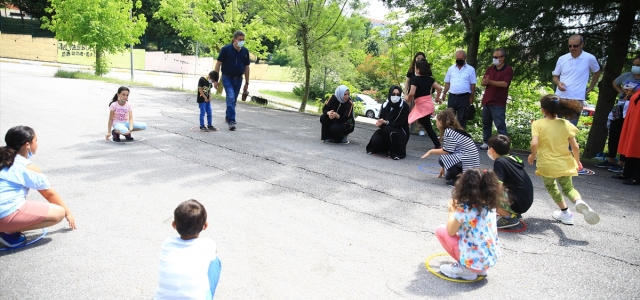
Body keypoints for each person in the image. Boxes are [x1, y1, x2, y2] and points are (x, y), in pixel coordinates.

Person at [527, 95, 600, 225]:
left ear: (543, 110)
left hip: (546, 164)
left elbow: (534, 144)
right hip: (565, 163)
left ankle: (565, 213)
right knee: (568, 188)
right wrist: (577, 161)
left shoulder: (538, 124)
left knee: (551, 187)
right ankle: (579, 201)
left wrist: (533, 155)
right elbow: (575, 147)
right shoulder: (566, 124)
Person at [0, 126, 76, 248]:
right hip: (4, 214)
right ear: (27, 145)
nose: (37, 143)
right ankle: (6, 232)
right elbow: (49, 194)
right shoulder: (27, 166)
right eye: (36, 140)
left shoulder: (2, 157)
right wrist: (68, 213)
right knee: (58, 214)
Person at [435, 168, 501, 280]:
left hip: (473, 259)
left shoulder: (466, 209)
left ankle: (464, 269)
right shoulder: (491, 205)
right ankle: (480, 270)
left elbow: (451, 231)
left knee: (441, 230)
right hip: (489, 259)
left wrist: (452, 211)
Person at [155, 199, 221, 299]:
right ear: (205, 226)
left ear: (174, 225)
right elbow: (213, 253)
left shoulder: (167, 243)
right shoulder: (208, 244)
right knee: (215, 261)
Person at [596, 56, 640, 173]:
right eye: (634, 64)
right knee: (614, 132)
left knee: (627, 135)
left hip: (634, 109)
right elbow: (615, 83)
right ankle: (610, 159)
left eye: (638, 65)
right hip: (620, 107)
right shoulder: (627, 75)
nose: (636, 67)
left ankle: (622, 162)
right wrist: (621, 92)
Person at [421, 109, 480, 186]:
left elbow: (447, 151)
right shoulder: (454, 130)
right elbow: (450, 149)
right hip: (468, 160)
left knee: (442, 157)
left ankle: (462, 177)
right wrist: (444, 166)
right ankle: (461, 176)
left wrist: (431, 151)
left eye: (437, 121)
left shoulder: (449, 132)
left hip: (467, 160)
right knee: (448, 176)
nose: (436, 123)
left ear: (441, 122)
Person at [552, 34, 601, 126]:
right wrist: (558, 83)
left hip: (576, 99)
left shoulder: (589, 58)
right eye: (570, 46)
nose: (572, 48)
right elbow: (555, 76)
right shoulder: (562, 58)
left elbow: (597, 72)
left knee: (570, 131)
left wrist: (590, 87)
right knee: (551, 126)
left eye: (575, 46)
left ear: (582, 44)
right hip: (559, 98)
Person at [486, 134, 534, 228]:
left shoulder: (499, 161)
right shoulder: (511, 158)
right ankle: (513, 213)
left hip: (518, 203)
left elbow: (498, 186)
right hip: (524, 200)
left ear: (491, 150)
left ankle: (509, 217)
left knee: (488, 192)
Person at [214, 30, 251, 131]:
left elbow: (247, 67)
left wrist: (247, 83)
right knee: (230, 97)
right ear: (234, 40)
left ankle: (228, 115)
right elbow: (218, 64)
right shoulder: (225, 49)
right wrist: (215, 80)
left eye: (243, 40)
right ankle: (231, 121)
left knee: (233, 100)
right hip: (227, 78)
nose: (242, 41)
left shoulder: (245, 51)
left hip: (238, 79)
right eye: (240, 40)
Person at [479, 48, 513, 150]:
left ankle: (504, 146)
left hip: (498, 102)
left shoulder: (508, 69)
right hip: (487, 100)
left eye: (496, 57)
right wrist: (485, 82)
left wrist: (490, 82)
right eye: (493, 57)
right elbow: (483, 82)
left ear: (503, 58)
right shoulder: (490, 69)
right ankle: (486, 142)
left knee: (500, 125)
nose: (494, 59)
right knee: (486, 123)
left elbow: (504, 84)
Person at [406, 60, 443, 150]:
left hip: (422, 106)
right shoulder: (430, 79)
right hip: (426, 105)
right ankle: (437, 142)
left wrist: (407, 99)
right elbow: (439, 88)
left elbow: (412, 93)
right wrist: (437, 98)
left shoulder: (415, 79)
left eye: (415, 68)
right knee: (420, 122)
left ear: (418, 70)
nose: (415, 69)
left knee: (413, 122)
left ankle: (437, 144)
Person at [366, 85, 410, 160]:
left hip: (400, 131)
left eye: (398, 94)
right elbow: (381, 119)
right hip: (385, 130)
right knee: (376, 141)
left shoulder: (404, 106)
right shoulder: (385, 105)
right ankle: (386, 148)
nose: (395, 96)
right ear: (390, 94)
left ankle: (395, 151)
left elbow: (401, 123)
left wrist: (387, 122)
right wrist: (380, 123)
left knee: (388, 130)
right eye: (393, 94)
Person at [441, 50, 477, 129]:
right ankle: (450, 134)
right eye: (457, 58)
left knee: (462, 118)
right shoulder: (451, 69)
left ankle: (460, 135)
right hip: (452, 96)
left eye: (461, 58)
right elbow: (447, 82)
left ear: (465, 58)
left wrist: (471, 97)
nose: (459, 60)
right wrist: (444, 93)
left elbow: (473, 84)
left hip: (464, 97)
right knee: (450, 116)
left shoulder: (470, 69)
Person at [617, 89, 640, 185]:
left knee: (637, 147)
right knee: (631, 146)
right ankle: (627, 173)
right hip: (633, 121)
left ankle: (637, 177)